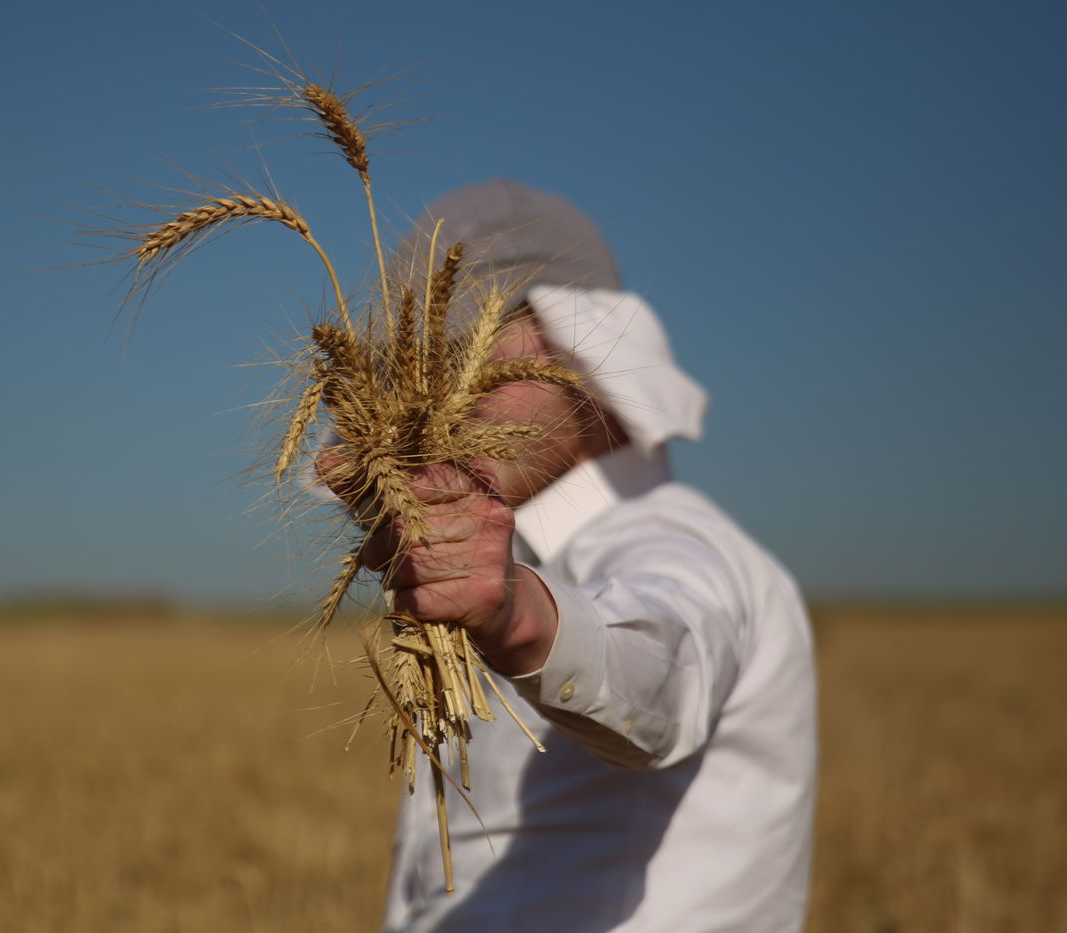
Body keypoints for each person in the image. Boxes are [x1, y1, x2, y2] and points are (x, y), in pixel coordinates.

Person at [343, 180, 817, 932]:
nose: (429, 402)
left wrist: (520, 616)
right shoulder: (493, 556)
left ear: (579, 340)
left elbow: (663, 667)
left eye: (461, 354)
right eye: (409, 373)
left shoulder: (686, 546)